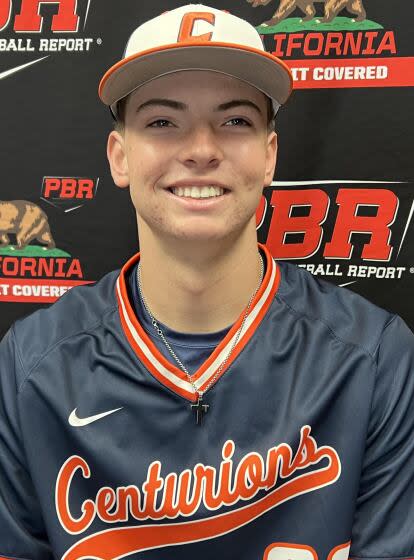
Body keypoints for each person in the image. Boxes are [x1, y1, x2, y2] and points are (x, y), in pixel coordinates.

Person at [0, 4, 413, 560]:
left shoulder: (376, 359)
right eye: (162, 122)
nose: (200, 149)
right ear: (120, 157)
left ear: (269, 157)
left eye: (236, 121)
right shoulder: (30, 367)